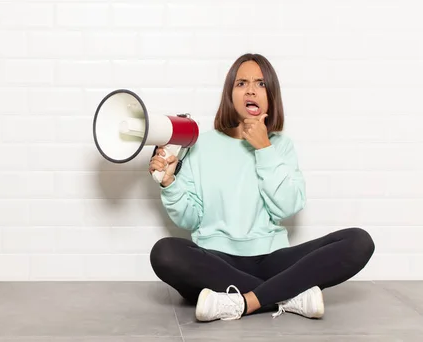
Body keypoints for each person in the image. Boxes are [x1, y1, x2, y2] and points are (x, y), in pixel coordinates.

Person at [148, 53, 375, 322]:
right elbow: (190, 218)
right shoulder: (200, 145)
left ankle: (242, 301)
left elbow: (288, 207)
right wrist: (169, 183)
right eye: (241, 83)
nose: (251, 90)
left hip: (273, 259)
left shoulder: (281, 145)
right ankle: (286, 294)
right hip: (216, 261)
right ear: (230, 94)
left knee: (359, 241)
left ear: (271, 96)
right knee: (164, 252)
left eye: (260, 84)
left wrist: (265, 149)